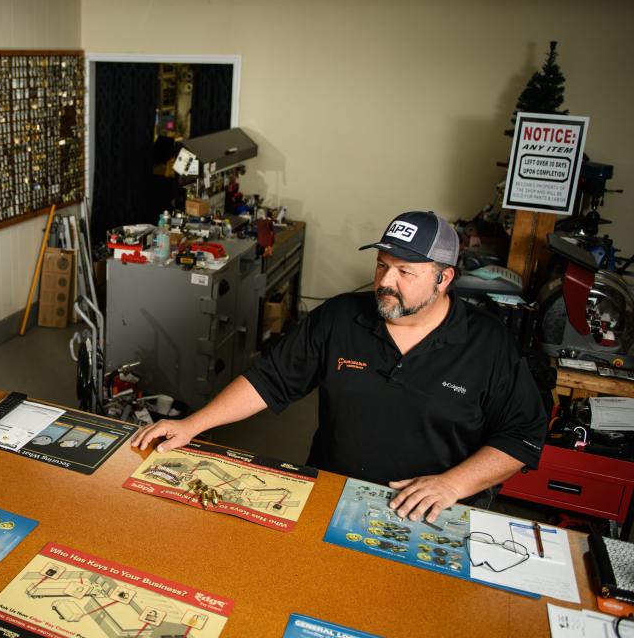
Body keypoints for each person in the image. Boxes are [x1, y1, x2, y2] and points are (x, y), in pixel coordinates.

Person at [132, 211, 546, 523]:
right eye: (382, 264)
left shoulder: (488, 344)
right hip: (332, 496)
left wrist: (454, 483)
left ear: (444, 279)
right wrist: (194, 424)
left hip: (432, 511)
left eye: (406, 272)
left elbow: (522, 436)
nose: (386, 281)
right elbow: (269, 379)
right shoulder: (340, 316)